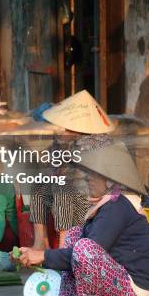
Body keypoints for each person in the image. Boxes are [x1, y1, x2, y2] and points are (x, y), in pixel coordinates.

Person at [16, 140, 149, 296]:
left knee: (84, 248)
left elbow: (88, 251)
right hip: (115, 278)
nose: (88, 179)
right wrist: (41, 255)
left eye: (93, 175)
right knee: (75, 234)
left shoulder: (118, 206)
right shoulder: (109, 203)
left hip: (131, 289)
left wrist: (43, 256)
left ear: (109, 179)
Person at [29, 90, 115, 249]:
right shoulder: (61, 141)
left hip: (93, 199)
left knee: (63, 187)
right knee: (39, 184)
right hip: (70, 195)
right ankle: (40, 242)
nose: (60, 131)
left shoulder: (99, 142)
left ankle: (64, 244)